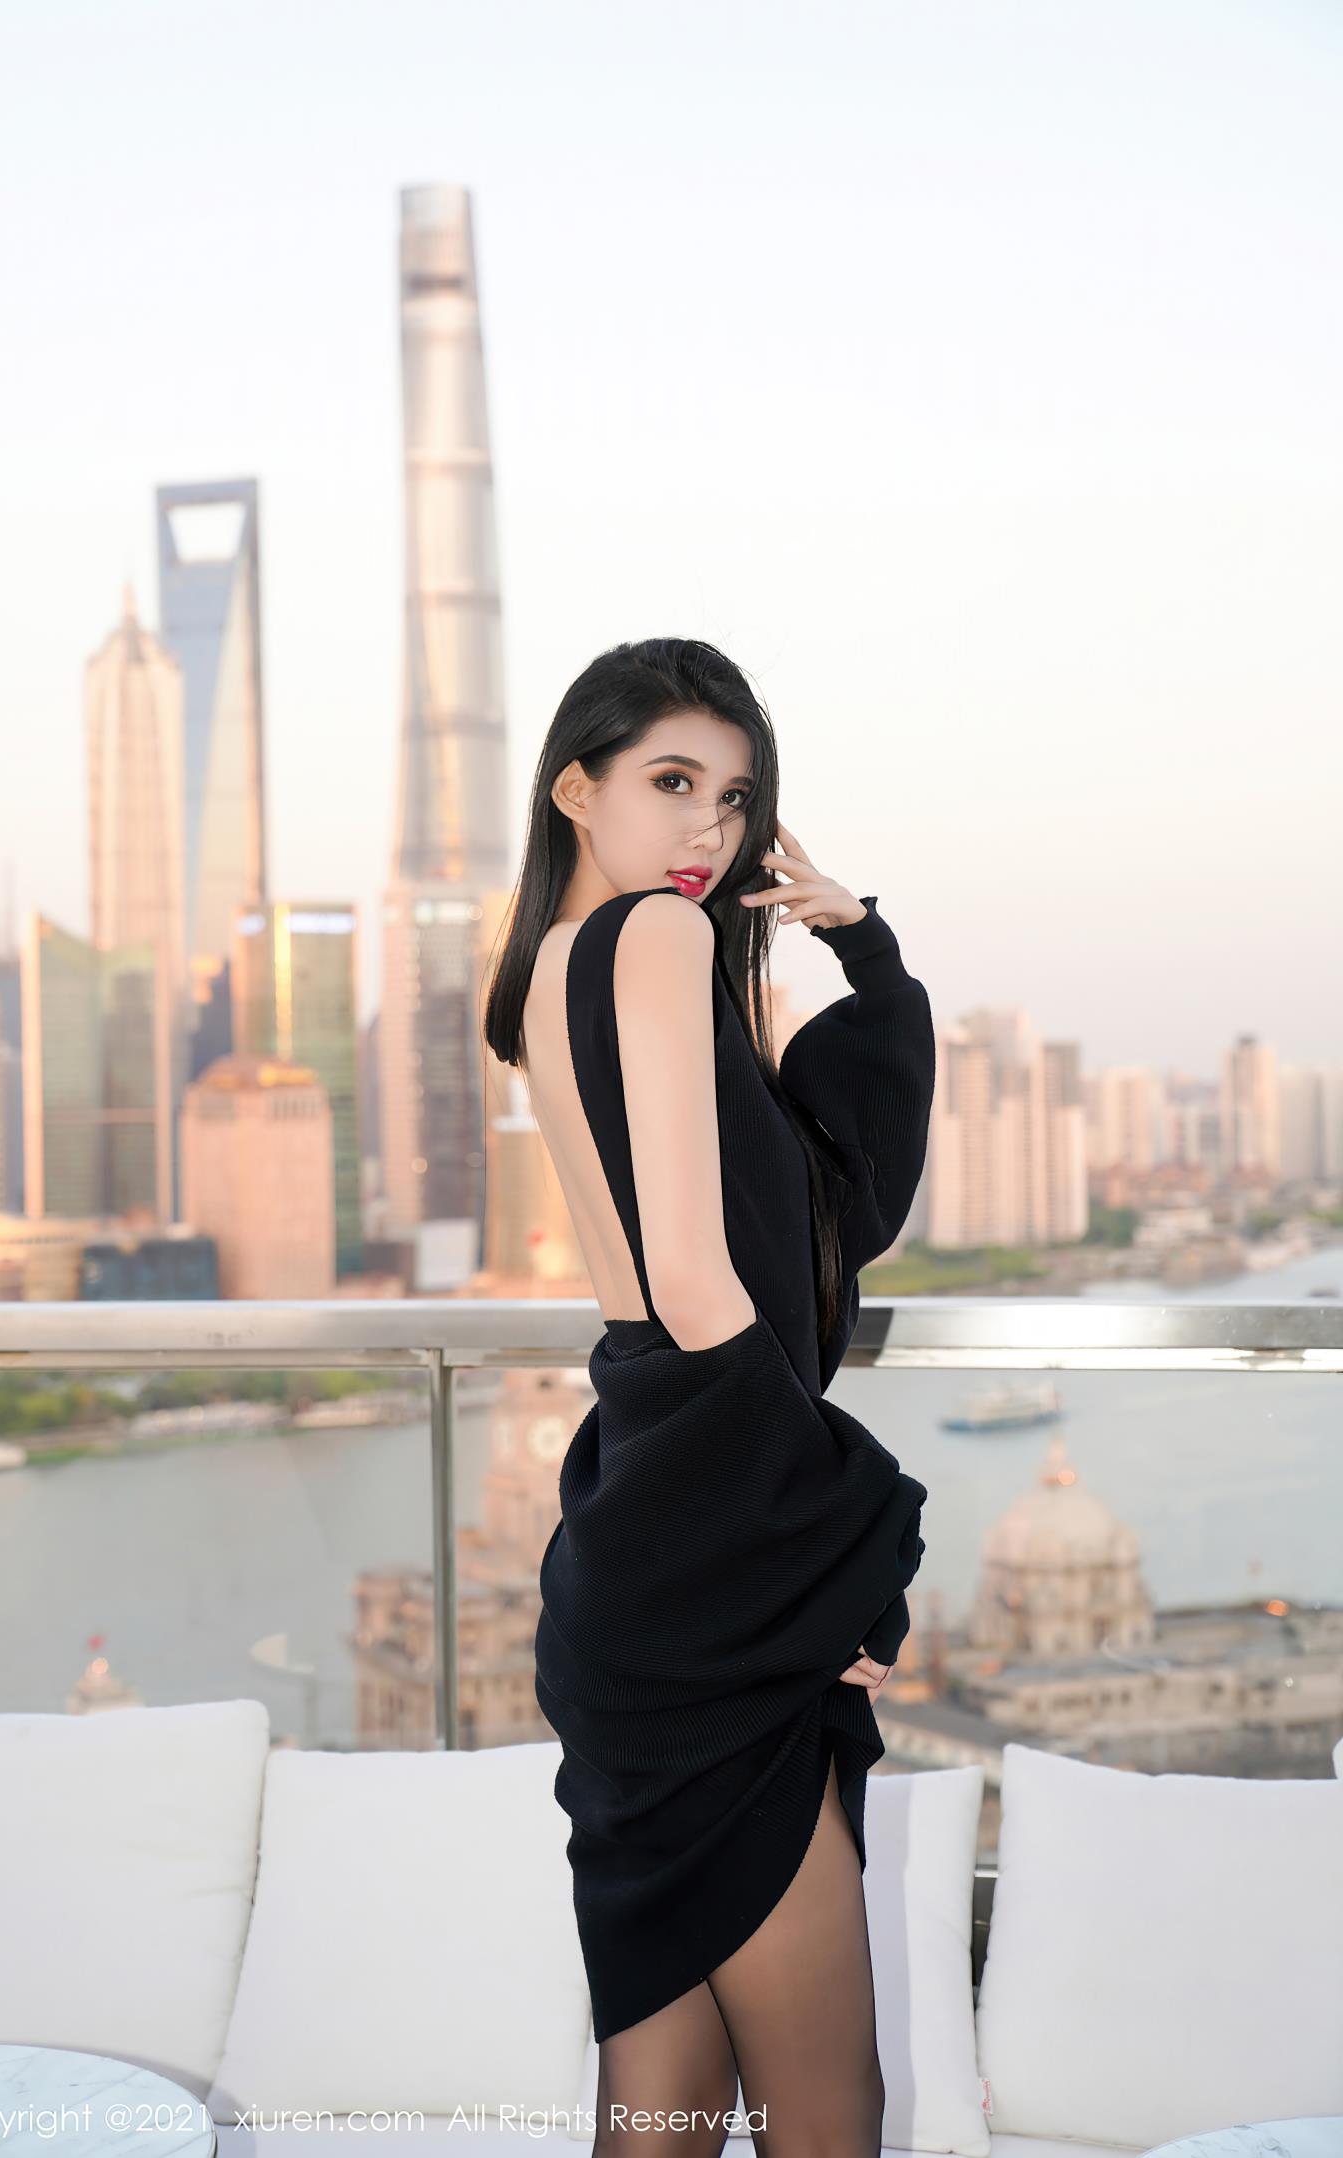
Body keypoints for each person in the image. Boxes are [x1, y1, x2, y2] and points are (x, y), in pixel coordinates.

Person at [484, 637, 936, 2156]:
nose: (710, 830)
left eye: (736, 799)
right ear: (575, 788)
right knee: (825, 2107)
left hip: (648, 1538)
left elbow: (753, 1232)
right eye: (672, 782)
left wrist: (860, 948)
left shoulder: (552, 969)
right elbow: (695, 1281)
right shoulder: (661, 942)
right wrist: (842, 1544)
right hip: (712, 1552)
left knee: (665, 2104)